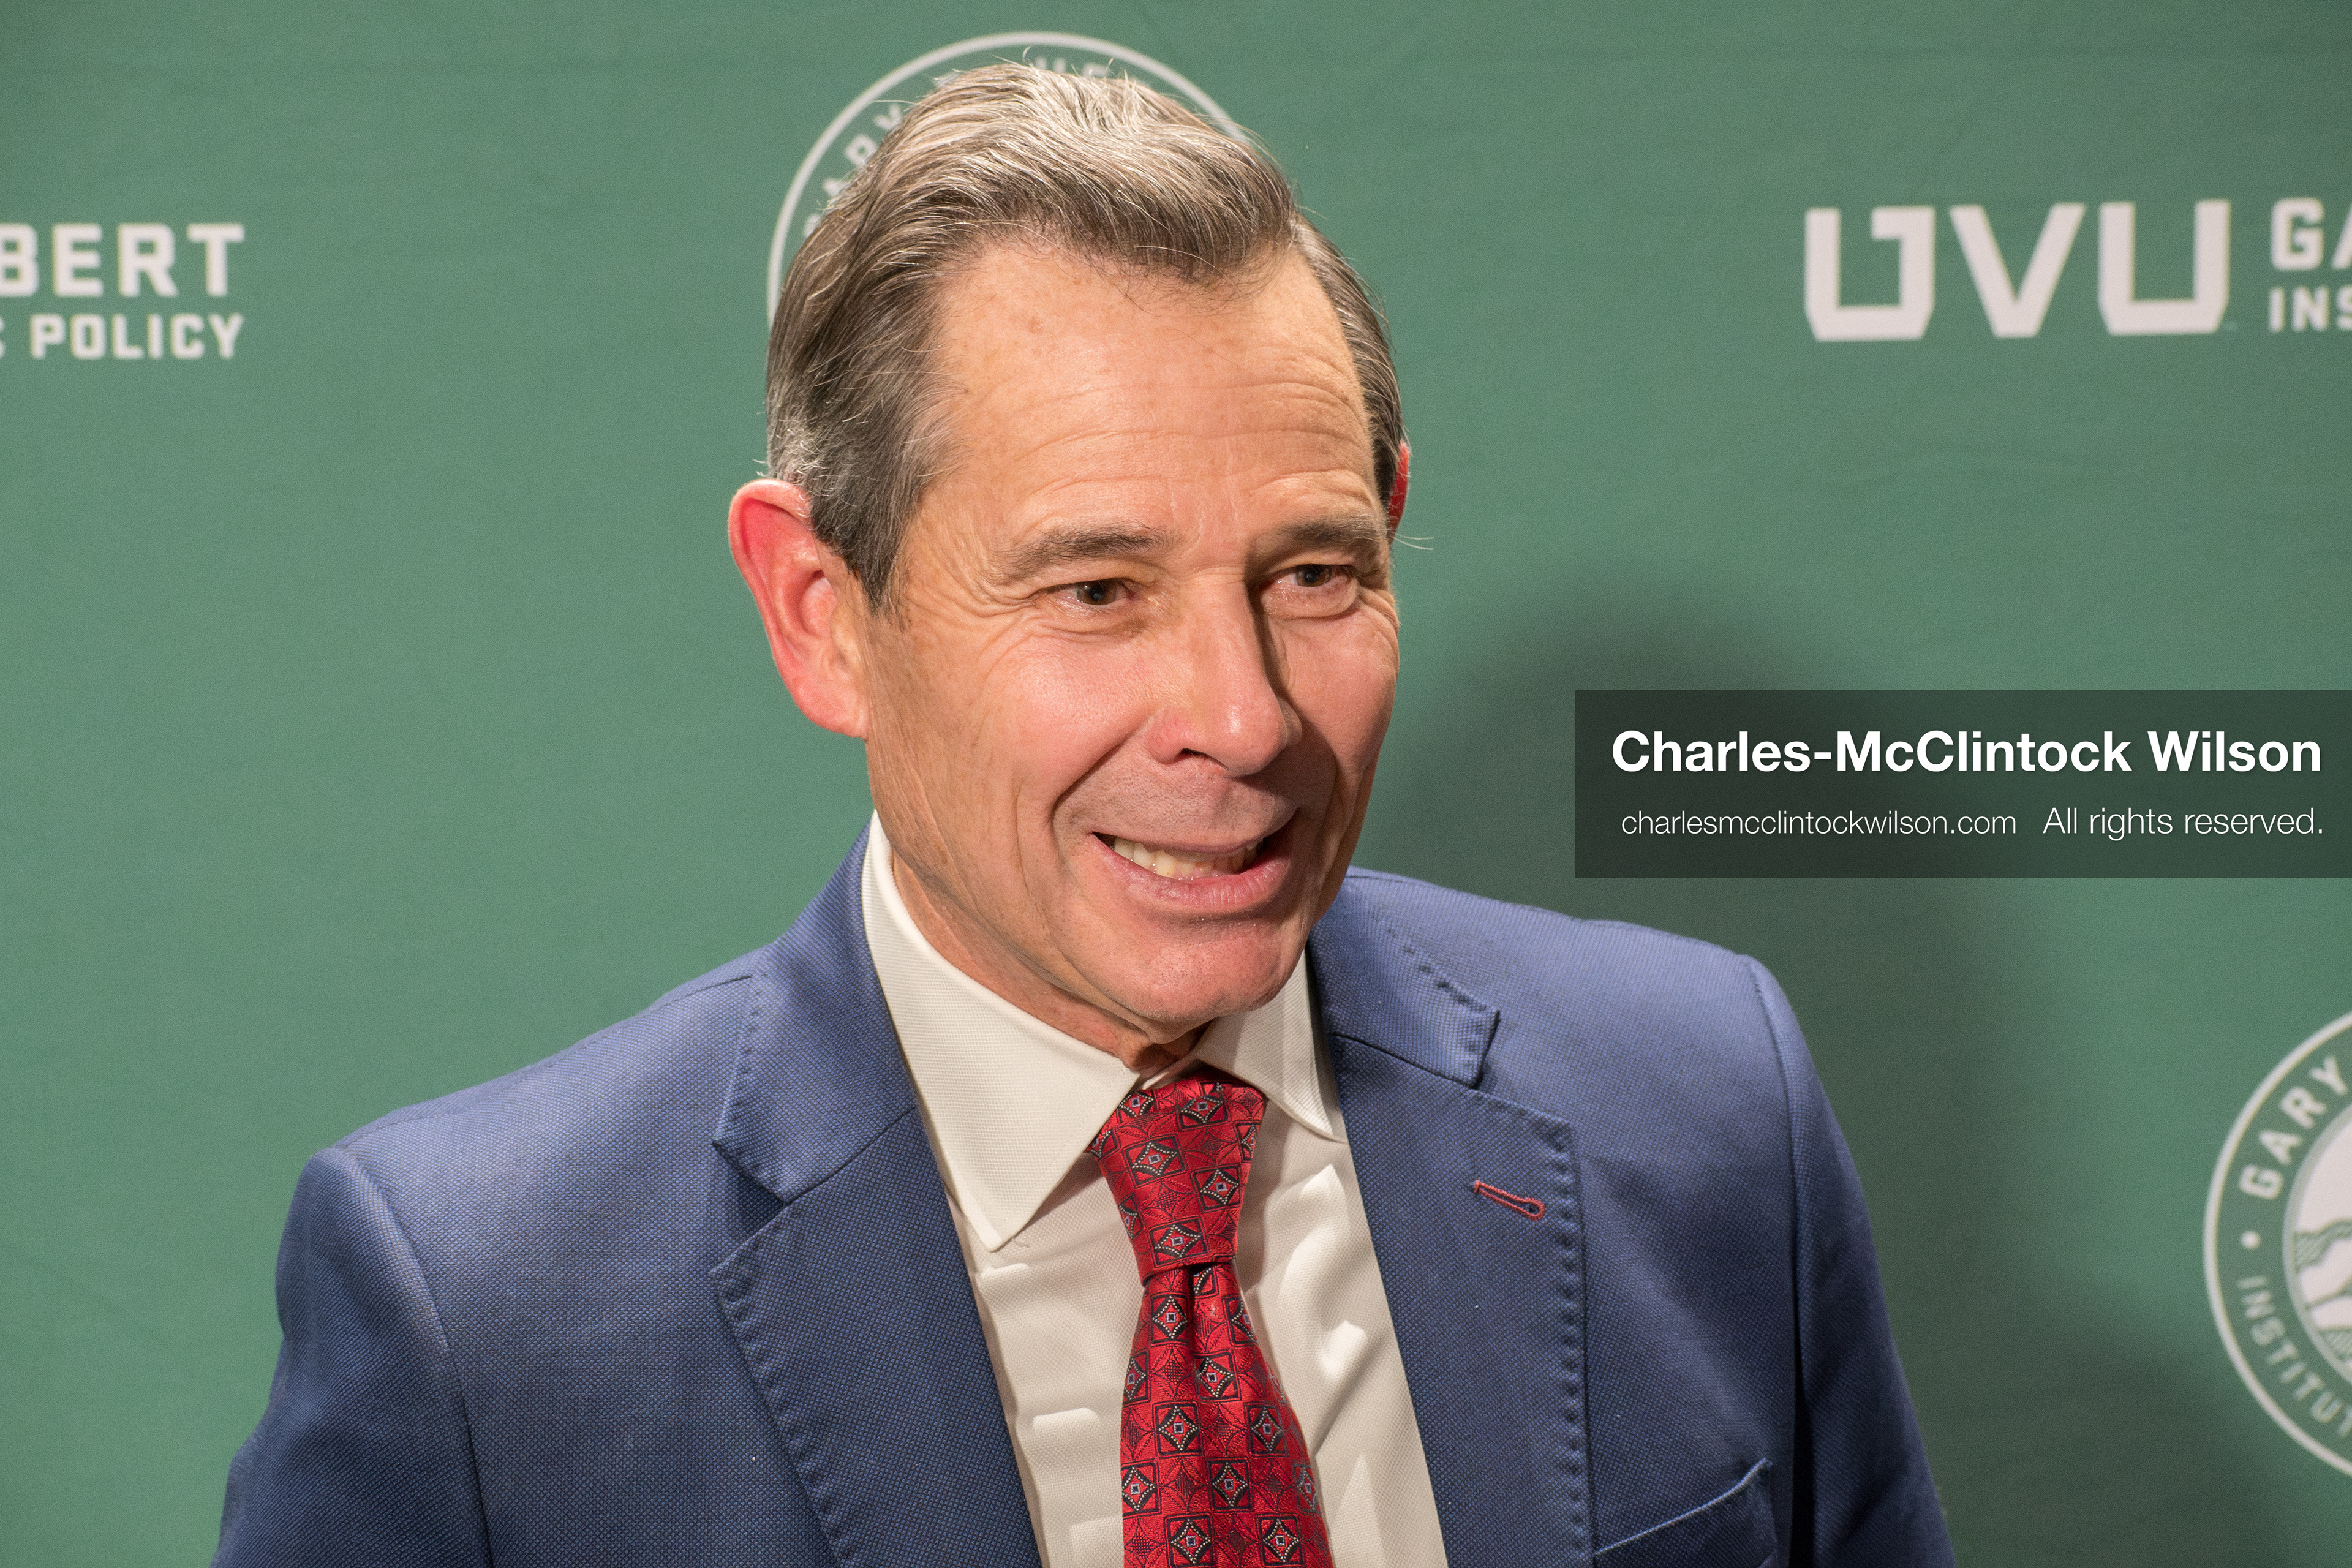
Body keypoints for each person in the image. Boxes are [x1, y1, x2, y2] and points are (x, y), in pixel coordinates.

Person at [214, 64, 1952, 1568]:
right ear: (823, 611)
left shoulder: (1708, 1106)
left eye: (1315, 571)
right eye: (1100, 590)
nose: (1239, 714)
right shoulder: (487, 1316)